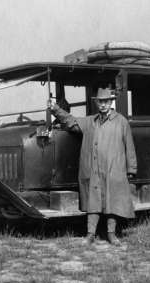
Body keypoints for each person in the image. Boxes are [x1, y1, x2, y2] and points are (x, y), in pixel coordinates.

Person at [49, 87, 137, 246]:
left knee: (113, 202)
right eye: (100, 102)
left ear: (111, 102)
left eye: (106, 101)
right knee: (93, 202)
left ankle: (111, 234)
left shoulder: (121, 122)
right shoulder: (91, 121)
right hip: (95, 168)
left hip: (113, 168)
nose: (103, 105)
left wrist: (131, 169)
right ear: (97, 103)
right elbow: (71, 122)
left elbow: (129, 146)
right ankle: (90, 235)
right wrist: (56, 110)